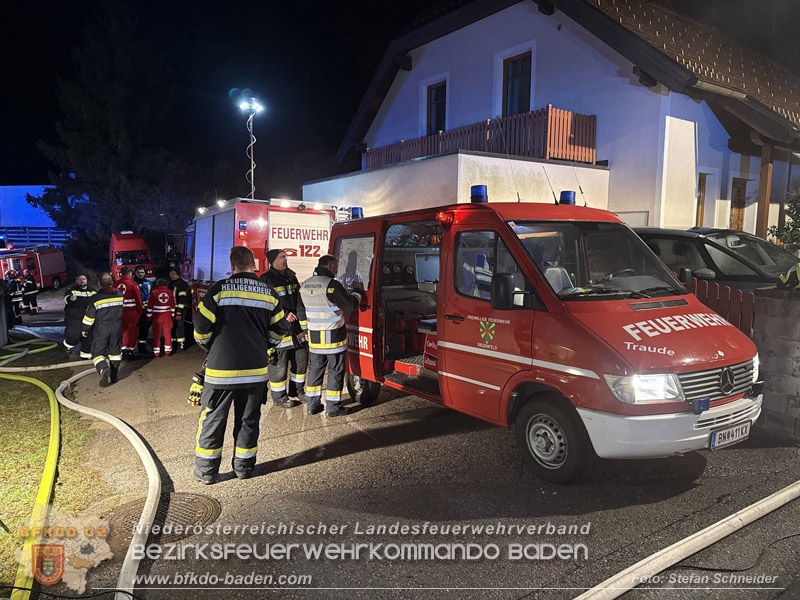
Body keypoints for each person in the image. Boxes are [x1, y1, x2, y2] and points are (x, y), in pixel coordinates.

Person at [191, 246, 285, 484]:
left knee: (213, 419)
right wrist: (264, 345)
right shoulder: (269, 293)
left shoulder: (218, 290)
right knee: (248, 420)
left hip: (220, 372)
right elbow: (281, 328)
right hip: (255, 372)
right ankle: (244, 469)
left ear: (232, 266)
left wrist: (209, 348)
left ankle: (207, 473)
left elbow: (201, 327)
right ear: (253, 265)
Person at [299, 254, 363, 417]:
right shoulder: (331, 285)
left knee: (314, 371)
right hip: (333, 336)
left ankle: (312, 405)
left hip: (314, 337)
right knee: (335, 371)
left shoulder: (305, 284)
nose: (336, 269)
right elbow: (349, 306)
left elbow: (301, 312)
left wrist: (306, 331)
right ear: (328, 265)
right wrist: (357, 292)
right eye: (334, 266)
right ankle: (333, 407)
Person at [260, 248, 308, 409]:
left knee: (300, 361)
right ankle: (279, 397)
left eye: (285, 256)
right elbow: (265, 305)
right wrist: (284, 314)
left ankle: (297, 391)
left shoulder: (291, 276)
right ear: (272, 261)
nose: (285, 259)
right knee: (279, 366)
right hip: (279, 330)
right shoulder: (266, 279)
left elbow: (299, 300)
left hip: (296, 329)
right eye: (282, 257)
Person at [82, 273, 123, 387]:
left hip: (102, 327)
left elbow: (89, 317)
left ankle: (103, 369)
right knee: (115, 352)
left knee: (97, 353)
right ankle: (114, 375)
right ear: (112, 283)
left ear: (99, 283)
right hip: (117, 326)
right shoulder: (120, 295)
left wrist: (84, 329)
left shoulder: (95, 298)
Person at [63, 274, 96, 360]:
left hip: (88, 318)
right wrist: (70, 299)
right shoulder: (72, 291)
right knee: (74, 335)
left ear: (87, 281)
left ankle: (85, 355)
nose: (82, 281)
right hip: (75, 319)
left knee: (88, 337)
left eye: (84, 279)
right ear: (76, 281)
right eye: (80, 279)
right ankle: (68, 345)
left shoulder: (92, 291)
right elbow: (65, 299)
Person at [115, 266, 142, 359]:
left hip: (118, 312)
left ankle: (123, 349)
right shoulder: (132, 284)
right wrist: (140, 311)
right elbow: (138, 300)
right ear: (130, 274)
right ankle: (130, 350)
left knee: (123, 331)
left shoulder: (116, 284)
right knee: (132, 331)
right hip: (131, 312)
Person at [147, 278, 175, 357]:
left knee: (156, 333)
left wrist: (148, 317)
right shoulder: (169, 292)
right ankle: (168, 351)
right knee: (167, 333)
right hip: (167, 315)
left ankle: (156, 351)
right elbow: (172, 305)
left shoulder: (154, 292)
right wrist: (172, 315)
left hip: (157, 316)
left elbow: (150, 305)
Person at [168, 269, 190, 351]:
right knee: (172, 327)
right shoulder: (172, 283)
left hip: (179, 309)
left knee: (180, 327)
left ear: (178, 274)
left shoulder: (181, 284)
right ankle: (173, 344)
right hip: (172, 309)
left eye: (173, 274)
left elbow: (182, 299)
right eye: (170, 274)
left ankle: (181, 345)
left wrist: (179, 312)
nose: (171, 276)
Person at [134, 265, 153, 355]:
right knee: (134, 329)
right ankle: (131, 349)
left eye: (142, 272)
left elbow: (152, 295)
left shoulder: (149, 283)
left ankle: (142, 347)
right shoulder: (133, 283)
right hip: (135, 311)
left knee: (144, 329)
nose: (140, 274)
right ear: (135, 273)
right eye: (138, 272)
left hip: (146, 310)